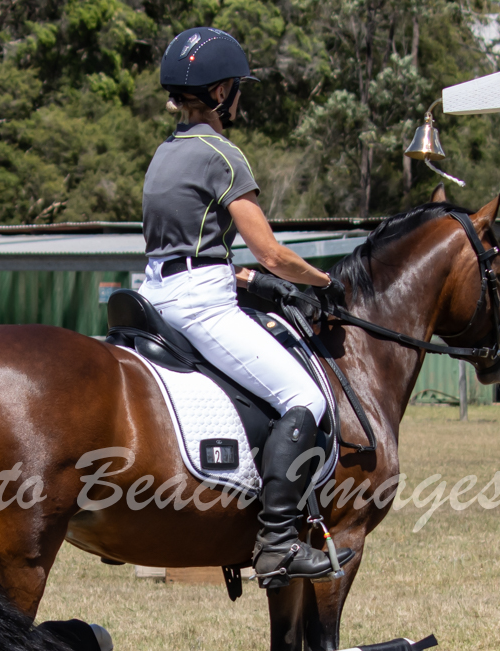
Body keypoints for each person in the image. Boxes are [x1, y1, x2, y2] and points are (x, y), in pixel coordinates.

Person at [139, 26, 352, 587]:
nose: (238, 98)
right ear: (220, 91)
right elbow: (272, 252)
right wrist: (323, 281)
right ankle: (278, 541)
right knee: (305, 397)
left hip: (155, 294)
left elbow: (194, 251)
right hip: (199, 305)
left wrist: (257, 283)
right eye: (236, 88)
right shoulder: (223, 155)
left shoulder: (164, 154)